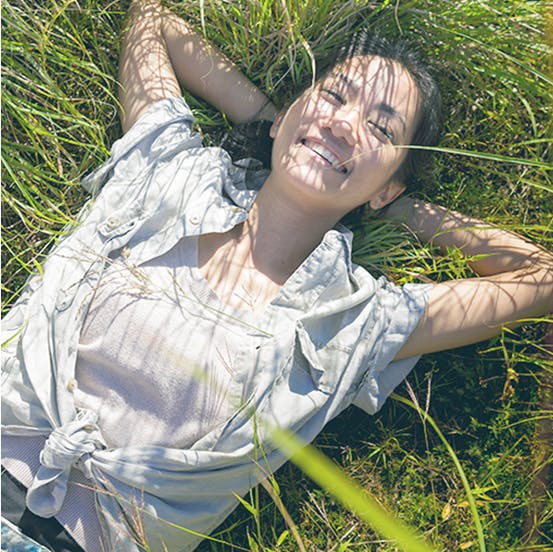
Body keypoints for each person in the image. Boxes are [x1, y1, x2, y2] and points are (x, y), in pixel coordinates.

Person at [2, 1, 552, 551]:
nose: (343, 122)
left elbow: (542, 276)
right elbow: (153, 21)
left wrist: (397, 205)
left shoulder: (352, 321)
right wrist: (279, 123)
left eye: (380, 128)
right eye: (334, 97)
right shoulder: (169, 171)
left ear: (390, 182)